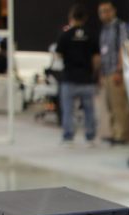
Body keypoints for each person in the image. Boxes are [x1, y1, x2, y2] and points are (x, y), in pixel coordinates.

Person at [55, 3, 99, 146]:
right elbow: (96, 58)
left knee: (68, 110)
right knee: (89, 110)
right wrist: (94, 74)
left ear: (71, 17)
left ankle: (68, 137)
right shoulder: (91, 35)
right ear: (85, 18)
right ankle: (90, 137)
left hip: (69, 78)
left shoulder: (65, 35)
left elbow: (58, 55)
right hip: (87, 78)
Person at [98, 0, 129, 144]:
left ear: (113, 11)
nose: (104, 14)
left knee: (120, 104)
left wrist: (119, 70)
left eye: (107, 11)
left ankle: (123, 134)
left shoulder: (120, 27)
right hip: (107, 71)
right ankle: (115, 132)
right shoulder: (105, 29)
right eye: (101, 12)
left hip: (117, 71)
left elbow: (124, 48)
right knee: (111, 105)